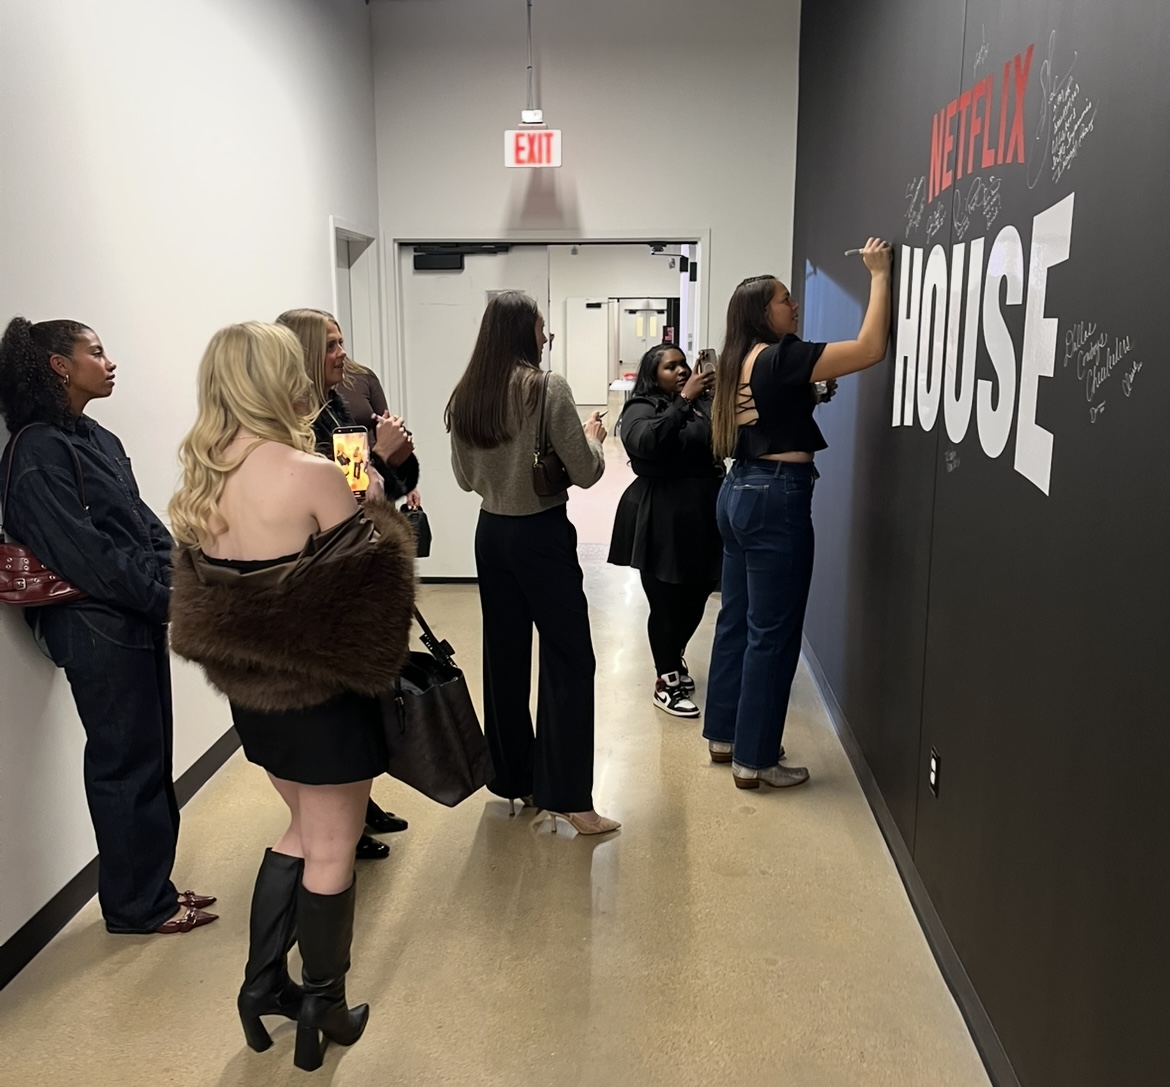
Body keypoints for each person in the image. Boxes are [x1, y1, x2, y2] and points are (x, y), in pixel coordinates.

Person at [168, 321, 417, 1070]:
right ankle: (323, 1003)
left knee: (300, 832)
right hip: (323, 691)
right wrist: (375, 498)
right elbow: (370, 596)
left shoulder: (201, 480)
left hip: (258, 698)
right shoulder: (308, 472)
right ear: (274, 380)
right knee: (334, 846)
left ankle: (260, 986)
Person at [0, 318, 216, 935]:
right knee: (125, 764)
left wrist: (177, 579)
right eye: (95, 352)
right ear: (58, 367)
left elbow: (140, 522)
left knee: (148, 757)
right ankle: (136, 907)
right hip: (94, 625)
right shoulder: (36, 450)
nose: (109, 361)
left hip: (132, 613)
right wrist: (161, 596)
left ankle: (154, 888)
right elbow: (86, 555)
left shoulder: (93, 435)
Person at [704, 239, 892, 789]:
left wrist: (808, 398)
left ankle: (725, 735)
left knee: (738, 620)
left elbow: (769, 414)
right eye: (786, 300)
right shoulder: (781, 356)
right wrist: (878, 275)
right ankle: (755, 759)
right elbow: (869, 348)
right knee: (774, 631)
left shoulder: (740, 359)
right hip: (776, 497)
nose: (795, 308)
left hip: (738, 493)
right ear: (764, 313)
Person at [446, 291, 619, 836]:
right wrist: (594, 439)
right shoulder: (547, 388)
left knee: (504, 658)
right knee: (571, 660)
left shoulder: (467, 394)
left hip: (491, 533)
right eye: (542, 328)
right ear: (524, 332)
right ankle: (571, 797)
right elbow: (588, 473)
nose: (546, 337)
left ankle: (514, 779)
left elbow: (463, 478)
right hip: (541, 534)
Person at [277, 308, 416, 859]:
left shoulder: (337, 406)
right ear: (307, 353)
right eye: (332, 345)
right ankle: (343, 824)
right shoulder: (297, 428)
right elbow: (346, 504)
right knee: (336, 714)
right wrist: (381, 457)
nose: (343, 354)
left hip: (359, 578)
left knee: (365, 699)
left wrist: (396, 460)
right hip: (325, 590)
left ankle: (359, 804)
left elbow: (373, 493)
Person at [608, 344, 723, 718]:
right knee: (666, 600)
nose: (681, 371)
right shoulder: (642, 406)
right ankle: (666, 679)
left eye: (683, 365)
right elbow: (645, 443)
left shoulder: (703, 404)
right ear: (653, 375)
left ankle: (673, 657)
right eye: (670, 367)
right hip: (659, 513)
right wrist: (683, 401)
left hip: (703, 511)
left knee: (700, 591)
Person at [336, 355, 422, 510]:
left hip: (376, 480)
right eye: (330, 345)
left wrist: (407, 484)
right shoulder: (301, 389)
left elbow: (387, 427)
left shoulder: (363, 377)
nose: (341, 352)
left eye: (340, 342)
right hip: (338, 490)